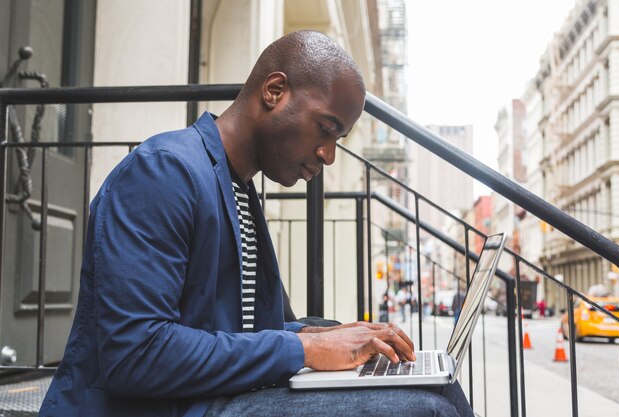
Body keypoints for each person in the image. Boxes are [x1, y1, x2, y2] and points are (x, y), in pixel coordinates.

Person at [39, 31, 473, 417]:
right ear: (275, 90)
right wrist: (306, 346)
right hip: (171, 405)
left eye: (338, 140)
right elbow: (137, 354)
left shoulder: (238, 187)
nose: (328, 154)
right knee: (426, 409)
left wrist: (323, 333)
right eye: (325, 129)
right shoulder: (163, 172)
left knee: (439, 385)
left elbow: (226, 333)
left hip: (214, 395)